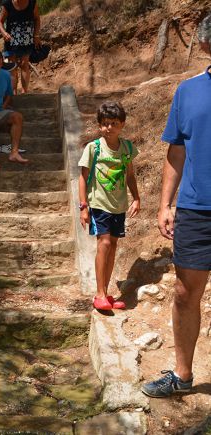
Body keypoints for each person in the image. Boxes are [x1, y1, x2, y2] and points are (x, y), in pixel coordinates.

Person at [141, 13, 211, 399]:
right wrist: (165, 203)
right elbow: (177, 149)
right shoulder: (188, 91)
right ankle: (182, 376)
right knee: (185, 293)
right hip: (197, 209)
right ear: (204, 45)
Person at [78, 102, 139, 310]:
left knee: (113, 245)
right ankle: (99, 294)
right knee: (103, 243)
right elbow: (83, 178)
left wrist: (136, 198)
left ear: (122, 124)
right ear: (99, 126)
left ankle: (106, 292)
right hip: (99, 204)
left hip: (118, 206)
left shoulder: (127, 148)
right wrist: (83, 207)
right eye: (105, 124)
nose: (109, 128)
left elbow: (130, 174)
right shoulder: (93, 148)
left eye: (114, 123)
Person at [0, 0, 40, 94]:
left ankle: (24, 92)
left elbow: (37, 19)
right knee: (12, 67)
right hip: (10, 42)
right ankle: (13, 93)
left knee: (24, 65)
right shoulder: (7, 4)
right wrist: (4, 33)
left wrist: (36, 35)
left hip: (27, 41)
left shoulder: (32, 3)